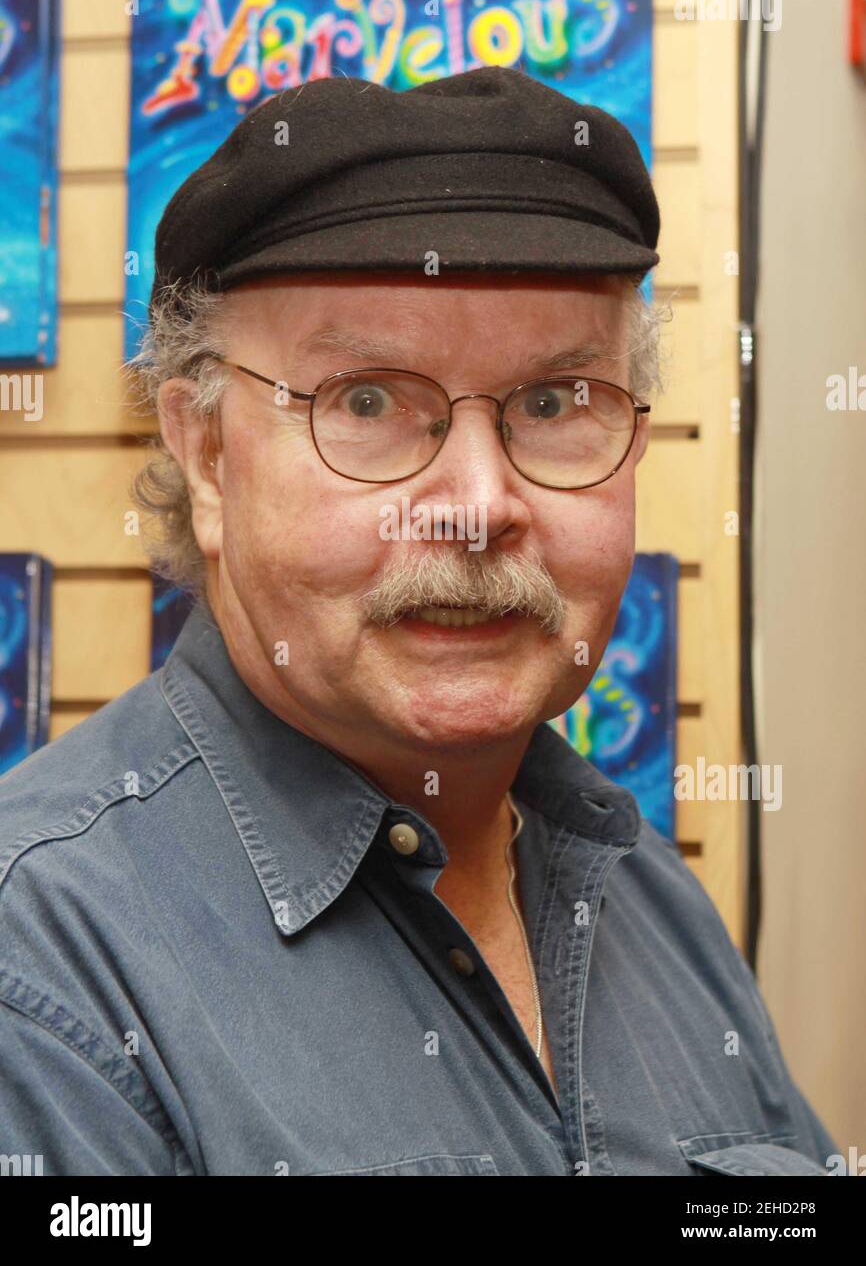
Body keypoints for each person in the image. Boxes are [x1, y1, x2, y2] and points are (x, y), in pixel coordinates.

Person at [0, 66, 839, 1175]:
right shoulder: (45, 968)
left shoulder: (652, 903)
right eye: (365, 403)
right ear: (205, 454)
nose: (478, 506)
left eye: (553, 403)